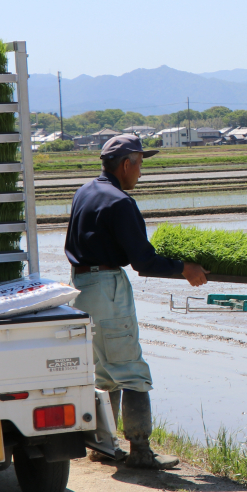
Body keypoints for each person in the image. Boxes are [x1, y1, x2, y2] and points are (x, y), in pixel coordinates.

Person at [65, 134, 208, 470]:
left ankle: (102, 444)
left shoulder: (84, 192)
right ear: (126, 164)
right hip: (106, 285)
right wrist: (184, 268)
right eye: (140, 164)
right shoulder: (120, 202)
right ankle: (141, 451)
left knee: (102, 369)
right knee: (131, 369)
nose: (141, 172)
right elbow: (143, 261)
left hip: (80, 285)